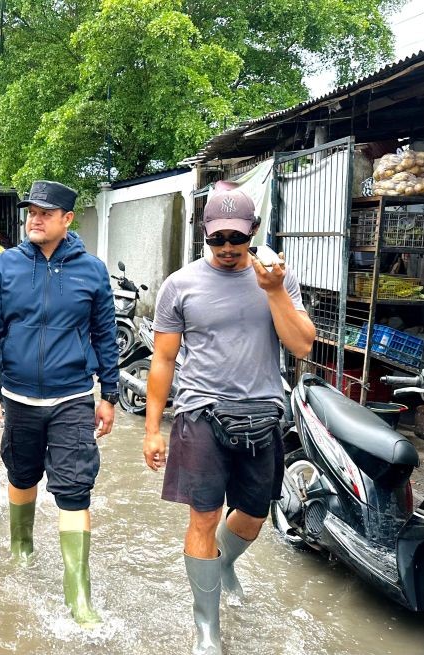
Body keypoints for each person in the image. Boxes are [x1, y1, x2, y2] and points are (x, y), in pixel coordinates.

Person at [143, 181, 315, 655]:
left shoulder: (278, 277)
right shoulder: (180, 285)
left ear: (253, 232)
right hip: (200, 414)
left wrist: (275, 290)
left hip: (262, 413)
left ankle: (221, 564)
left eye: (236, 238)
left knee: (255, 516)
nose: (227, 248)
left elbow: (302, 344)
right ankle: (206, 631)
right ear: (205, 234)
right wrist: (153, 427)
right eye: (217, 238)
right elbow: (162, 360)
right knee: (203, 517)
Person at [0, 180, 118, 628]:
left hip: (73, 396)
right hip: (16, 395)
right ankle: (21, 550)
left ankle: (78, 595)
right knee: (20, 472)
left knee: (74, 489)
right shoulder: (6, 267)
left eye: (45, 212)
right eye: (31, 211)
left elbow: (105, 335)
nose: (34, 219)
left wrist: (109, 394)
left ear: (67, 219)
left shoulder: (92, 270)